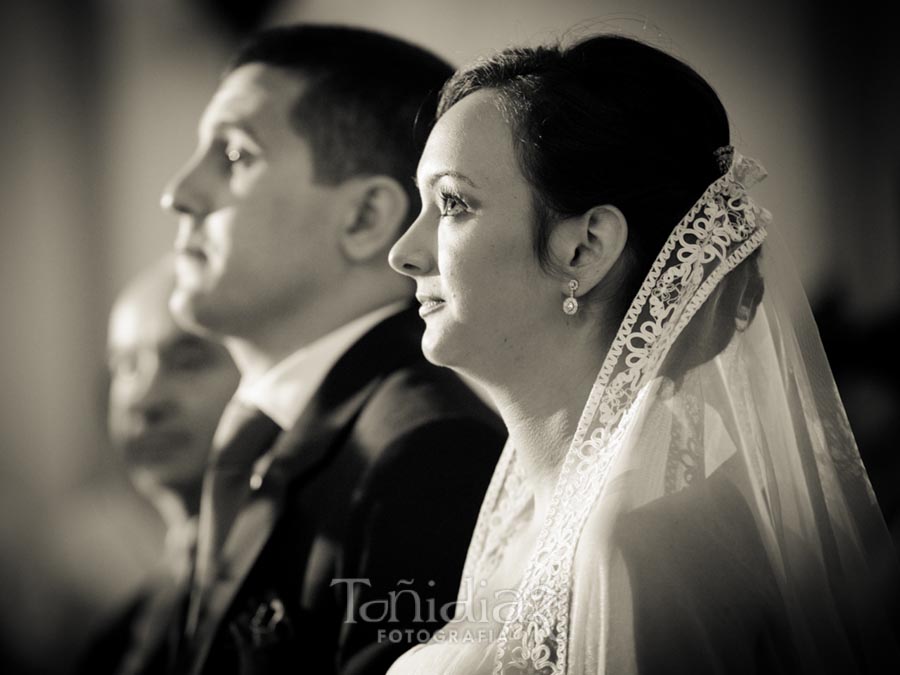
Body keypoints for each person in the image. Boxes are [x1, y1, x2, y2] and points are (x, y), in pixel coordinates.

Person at [386, 34, 900, 674]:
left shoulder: (636, 546)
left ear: (585, 247)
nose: (403, 252)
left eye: (452, 204)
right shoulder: (530, 512)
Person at [158, 24, 505, 675]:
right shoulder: (248, 436)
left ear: (366, 218)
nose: (178, 193)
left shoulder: (429, 455)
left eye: (234, 156)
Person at [78, 255, 240, 674]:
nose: (145, 401)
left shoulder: (320, 595)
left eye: (188, 361)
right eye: (126, 367)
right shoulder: (114, 644)